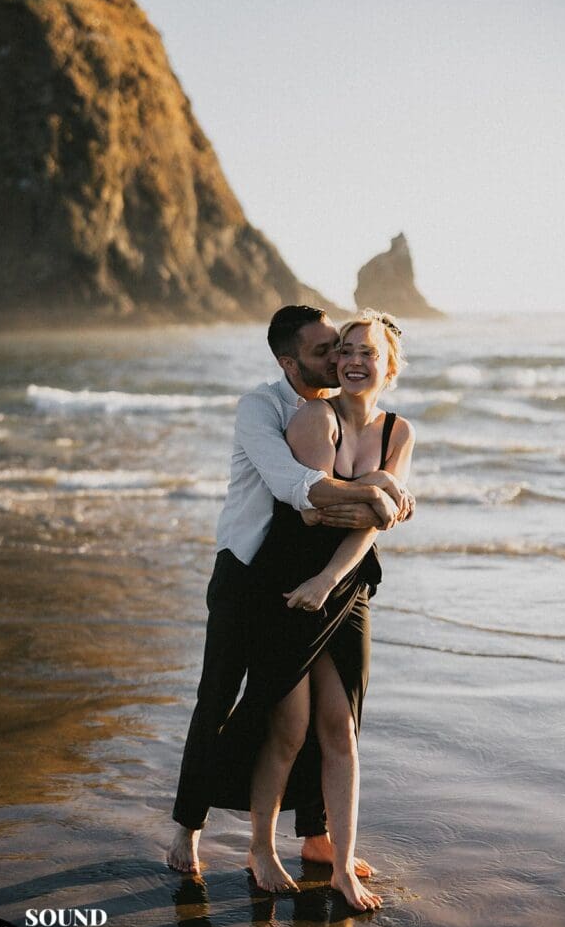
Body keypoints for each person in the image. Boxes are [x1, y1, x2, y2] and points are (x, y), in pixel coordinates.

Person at [167, 306, 413, 876]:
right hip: (246, 569)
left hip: (323, 573)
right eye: (326, 350)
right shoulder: (264, 408)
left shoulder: (359, 418)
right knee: (221, 698)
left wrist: (378, 496)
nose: (337, 358)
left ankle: (317, 836)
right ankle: (188, 827)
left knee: (330, 714)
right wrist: (379, 487)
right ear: (289, 361)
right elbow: (298, 491)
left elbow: (348, 508)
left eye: (341, 346)